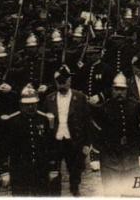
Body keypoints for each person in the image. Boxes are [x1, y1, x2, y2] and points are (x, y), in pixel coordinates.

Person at [0, 84, 56, 196]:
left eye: (33, 104)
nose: (30, 107)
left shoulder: (44, 119)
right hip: (19, 169)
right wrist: (5, 171)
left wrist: (53, 167)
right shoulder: (12, 121)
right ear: (21, 105)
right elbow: (4, 147)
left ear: (37, 103)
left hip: (40, 168)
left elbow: (51, 145)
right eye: (27, 105)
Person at [94, 74, 140, 192]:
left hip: (131, 158)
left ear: (127, 90)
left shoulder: (135, 107)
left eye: (122, 89)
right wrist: (95, 158)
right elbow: (97, 134)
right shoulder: (104, 109)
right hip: (109, 160)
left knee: (131, 193)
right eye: (116, 89)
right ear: (112, 90)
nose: (119, 92)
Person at [44, 66, 92, 196]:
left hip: (74, 139)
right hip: (56, 140)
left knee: (75, 169)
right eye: (59, 82)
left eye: (64, 81)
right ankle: (55, 194)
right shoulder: (49, 98)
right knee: (54, 170)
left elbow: (87, 122)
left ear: (70, 81)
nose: (62, 84)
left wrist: (87, 143)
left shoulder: (80, 97)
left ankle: (74, 189)